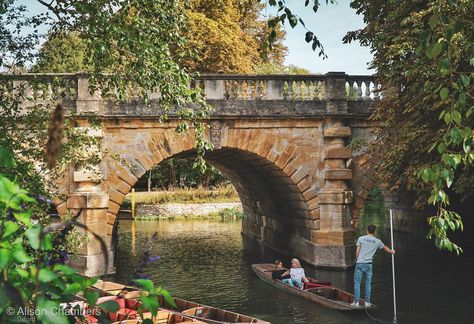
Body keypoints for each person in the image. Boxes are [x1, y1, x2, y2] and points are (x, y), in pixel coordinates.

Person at [351, 224, 395, 308]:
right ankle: (367, 302)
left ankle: (356, 302)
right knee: (368, 284)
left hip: (360, 263)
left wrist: (358, 259)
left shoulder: (361, 238)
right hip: (369, 265)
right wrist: (391, 251)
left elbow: (357, 253)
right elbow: (384, 247)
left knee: (357, 283)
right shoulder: (377, 241)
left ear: (367, 230)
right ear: (374, 232)